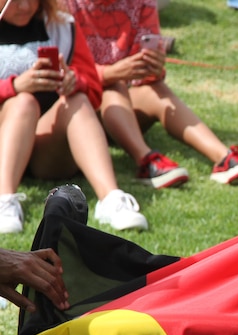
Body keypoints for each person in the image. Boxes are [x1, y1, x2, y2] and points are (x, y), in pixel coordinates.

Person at [64, 0, 238, 189]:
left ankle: (224, 158)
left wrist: (153, 66)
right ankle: (146, 160)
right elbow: (63, 72)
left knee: (156, 89)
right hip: (76, 108)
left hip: (120, 109)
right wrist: (109, 74)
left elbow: (147, 78)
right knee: (114, 87)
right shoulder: (62, 4)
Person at [0, 0, 149, 233]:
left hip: (45, 148)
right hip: (6, 133)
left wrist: (74, 81)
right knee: (23, 102)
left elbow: (94, 89)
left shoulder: (62, 25)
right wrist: (15, 86)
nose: (25, 6)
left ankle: (110, 198)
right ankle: (4, 199)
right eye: (16, 0)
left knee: (78, 99)